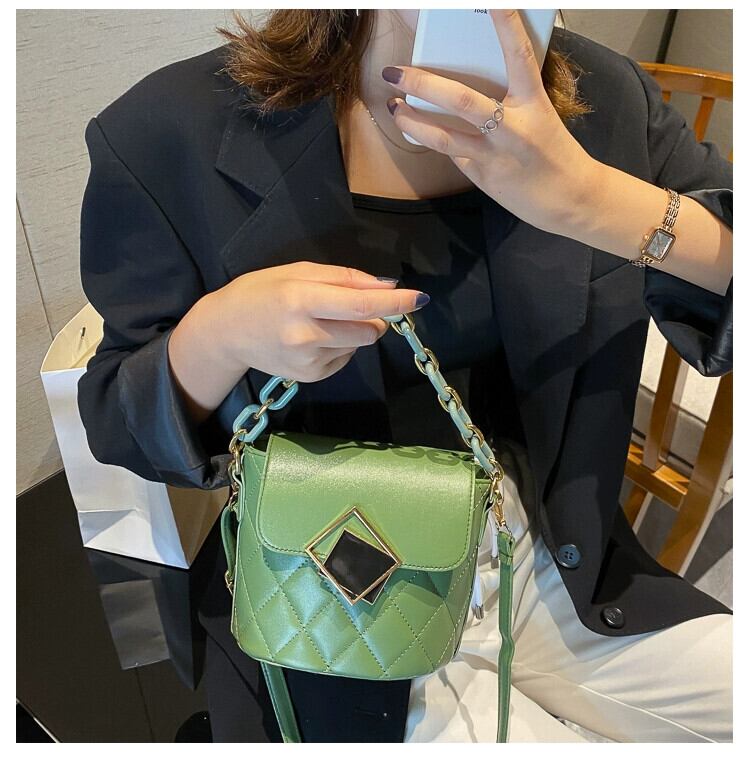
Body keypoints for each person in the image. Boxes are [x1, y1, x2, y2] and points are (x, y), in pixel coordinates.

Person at [77, 9, 732, 742]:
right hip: (337, 591)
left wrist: (599, 204)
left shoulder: (607, 101)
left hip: (556, 561)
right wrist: (220, 335)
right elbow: (116, 418)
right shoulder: (173, 130)